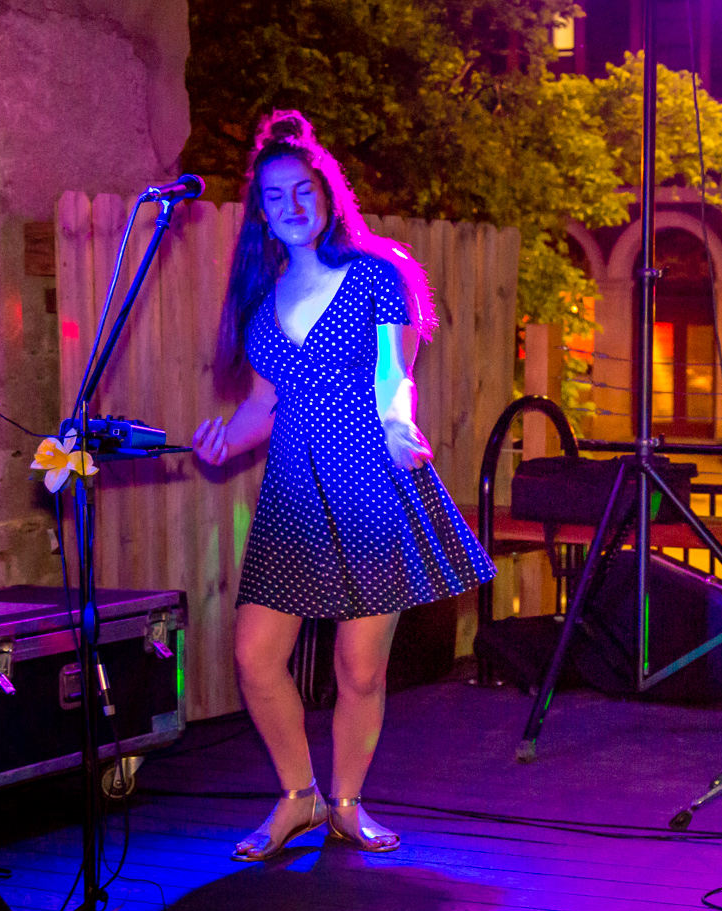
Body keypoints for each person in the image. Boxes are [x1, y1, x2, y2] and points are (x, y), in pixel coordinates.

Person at [193, 111, 496, 862]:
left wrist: (399, 427)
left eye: (303, 190)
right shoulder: (262, 302)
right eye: (274, 195)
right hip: (293, 492)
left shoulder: (377, 274)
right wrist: (221, 440)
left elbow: (396, 376)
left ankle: (348, 802)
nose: (291, 205)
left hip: (368, 479)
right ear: (260, 210)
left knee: (358, 665)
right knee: (255, 655)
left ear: (327, 195)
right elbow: (266, 404)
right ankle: (299, 795)